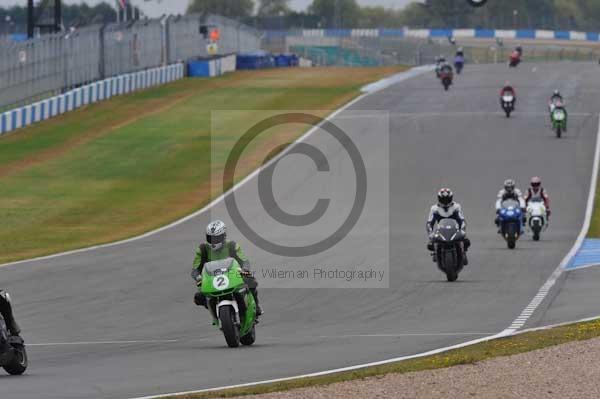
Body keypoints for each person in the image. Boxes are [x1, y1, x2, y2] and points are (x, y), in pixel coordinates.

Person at [191, 220, 262, 316]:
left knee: (251, 281)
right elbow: (195, 269)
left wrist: (244, 270)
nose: (213, 241)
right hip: (212, 279)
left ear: (224, 236)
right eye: (210, 238)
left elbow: (244, 260)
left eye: (216, 238)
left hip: (232, 275)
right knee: (198, 297)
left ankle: (256, 306)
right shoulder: (203, 249)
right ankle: (214, 310)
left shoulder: (232, 245)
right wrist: (198, 278)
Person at [426, 188, 471, 265]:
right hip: (440, 231)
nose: (445, 202)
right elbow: (429, 223)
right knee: (430, 244)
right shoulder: (434, 209)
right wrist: (430, 233)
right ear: (439, 199)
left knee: (466, 241)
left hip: (454, 229)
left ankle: (463, 252)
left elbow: (462, 220)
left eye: (447, 199)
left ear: (451, 198)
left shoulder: (456, 207)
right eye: (443, 199)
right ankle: (436, 253)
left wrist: (462, 230)